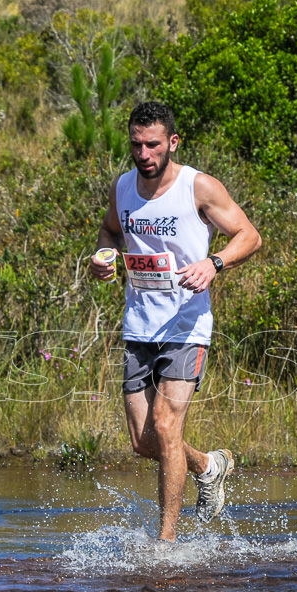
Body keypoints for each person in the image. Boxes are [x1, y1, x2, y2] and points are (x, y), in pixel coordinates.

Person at [89, 102, 262, 542]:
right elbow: (111, 230)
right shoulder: (123, 188)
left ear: (172, 143)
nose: (143, 154)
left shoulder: (197, 187)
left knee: (167, 427)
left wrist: (215, 263)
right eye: (135, 145)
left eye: (152, 145)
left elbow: (249, 235)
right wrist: (105, 255)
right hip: (140, 325)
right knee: (144, 442)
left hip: (187, 326)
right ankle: (208, 466)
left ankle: (165, 543)